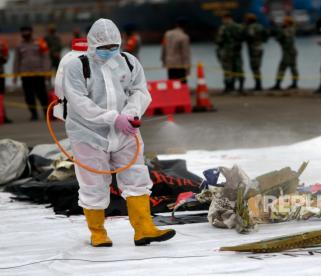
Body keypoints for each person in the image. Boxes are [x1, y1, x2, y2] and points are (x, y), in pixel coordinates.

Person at [63, 18, 175, 247]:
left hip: (125, 132)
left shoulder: (129, 62)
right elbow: (79, 102)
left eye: (113, 46)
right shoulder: (77, 67)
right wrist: (113, 118)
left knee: (137, 177)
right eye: (104, 48)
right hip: (89, 134)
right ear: (93, 44)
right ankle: (98, 233)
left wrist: (131, 114)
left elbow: (140, 91)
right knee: (93, 183)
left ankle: (144, 229)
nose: (109, 51)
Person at [13, 26, 51, 121]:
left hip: (39, 74)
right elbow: (16, 61)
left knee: (42, 95)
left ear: (31, 32)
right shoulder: (19, 46)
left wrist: (46, 72)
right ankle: (33, 114)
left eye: (27, 31)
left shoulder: (40, 42)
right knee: (29, 96)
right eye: (23, 32)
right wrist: (15, 75)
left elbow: (46, 58)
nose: (25, 33)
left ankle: (46, 113)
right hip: (25, 75)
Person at [216, 13, 245, 93]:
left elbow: (219, 40)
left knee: (227, 69)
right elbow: (243, 37)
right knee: (239, 68)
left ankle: (228, 87)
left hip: (227, 52)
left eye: (223, 19)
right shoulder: (239, 27)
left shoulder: (223, 28)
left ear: (226, 18)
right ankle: (241, 87)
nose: (222, 21)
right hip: (237, 51)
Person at [271, 16, 299, 90]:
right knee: (293, 68)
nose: (283, 23)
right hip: (291, 51)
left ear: (287, 23)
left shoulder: (288, 30)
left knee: (282, 67)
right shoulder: (291, 29)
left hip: (288, 51)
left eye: (284, 22)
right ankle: (294, 84)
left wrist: (277, 29)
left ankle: (278, 84)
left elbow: (280, 37)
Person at [161, 18, 191, 84]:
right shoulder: (184, 37)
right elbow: (185, 54)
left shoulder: (167, 34)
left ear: (176, 24)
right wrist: (188, 68)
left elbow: (164, 48)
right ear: (186, 26)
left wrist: (163, 60)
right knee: (182, 84)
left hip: (169, 63)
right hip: (180, 65)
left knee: (172, 83)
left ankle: (172, 94)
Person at [243, 13, 268, 91]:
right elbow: (266, 34)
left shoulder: (251, 27)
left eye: (246, 19)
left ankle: (258, 85)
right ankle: (258, 84)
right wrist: (262, 40)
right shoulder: (260, 26)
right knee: (257, 66)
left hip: (253, 49)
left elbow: (250, 36)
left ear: (249, 20)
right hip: (260, 47)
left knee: (254, 67)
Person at [0, 37, 11, 123]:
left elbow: (6, 57)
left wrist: (3, 58)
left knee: (1, 96)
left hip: (1, 73)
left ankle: (3, 116)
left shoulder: (2, 44)